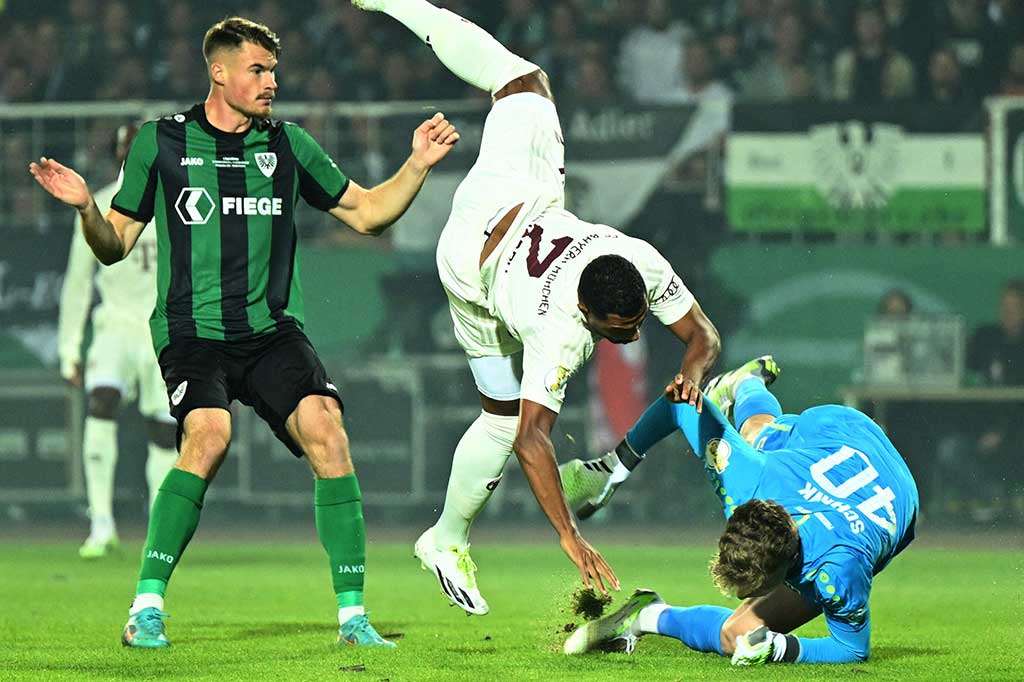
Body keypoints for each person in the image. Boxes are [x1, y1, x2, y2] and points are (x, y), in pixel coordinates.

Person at [30, 16, 459, 649]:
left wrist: (418, 165)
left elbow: (367, 213)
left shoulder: (287, 145)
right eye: (257, 69)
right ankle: (145, 608)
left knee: (328, 434)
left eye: (273, 70)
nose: (270, 81)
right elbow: (115, 245)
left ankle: (353, 619)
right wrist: (90, 210)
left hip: (271, 331)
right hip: (192, 333)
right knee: (208, 435)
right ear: (219, 71)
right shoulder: (161, 142)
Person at [353, 0, 721, 615]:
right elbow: (531, 441)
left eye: (635, 323)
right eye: (620, 329)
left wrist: (692, 369)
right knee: (502, 420)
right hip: (471, 266)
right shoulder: (561, 335)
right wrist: (570, 536)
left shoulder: (638, 261)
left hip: (519, 197)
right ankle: (445, 539)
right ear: (588, 313)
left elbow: (701, 333)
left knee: (524, 82)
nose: (631, 336)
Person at [564, 356, 919, 664]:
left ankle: (644, 615)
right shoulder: (747, 483)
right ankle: (746, 381)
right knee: (755, 435)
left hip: (869, 457)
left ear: (782, 569)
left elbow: (853, 650)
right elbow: (681, 402)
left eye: (751, 587)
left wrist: (780, 648)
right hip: (820, 453)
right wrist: (615, 468)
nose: (742, 595)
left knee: (739, 635)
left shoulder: (839, 571)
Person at [57, 123, 177, 559]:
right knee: (101, 403)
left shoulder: (174, 204)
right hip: (113, 327)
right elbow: (78, 279)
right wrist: (70, 346)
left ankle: (157, 533)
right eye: (127, 145)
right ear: (118, 152)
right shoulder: (99, 202)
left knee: (164, 431)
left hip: (161, 330)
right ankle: (101, 523)